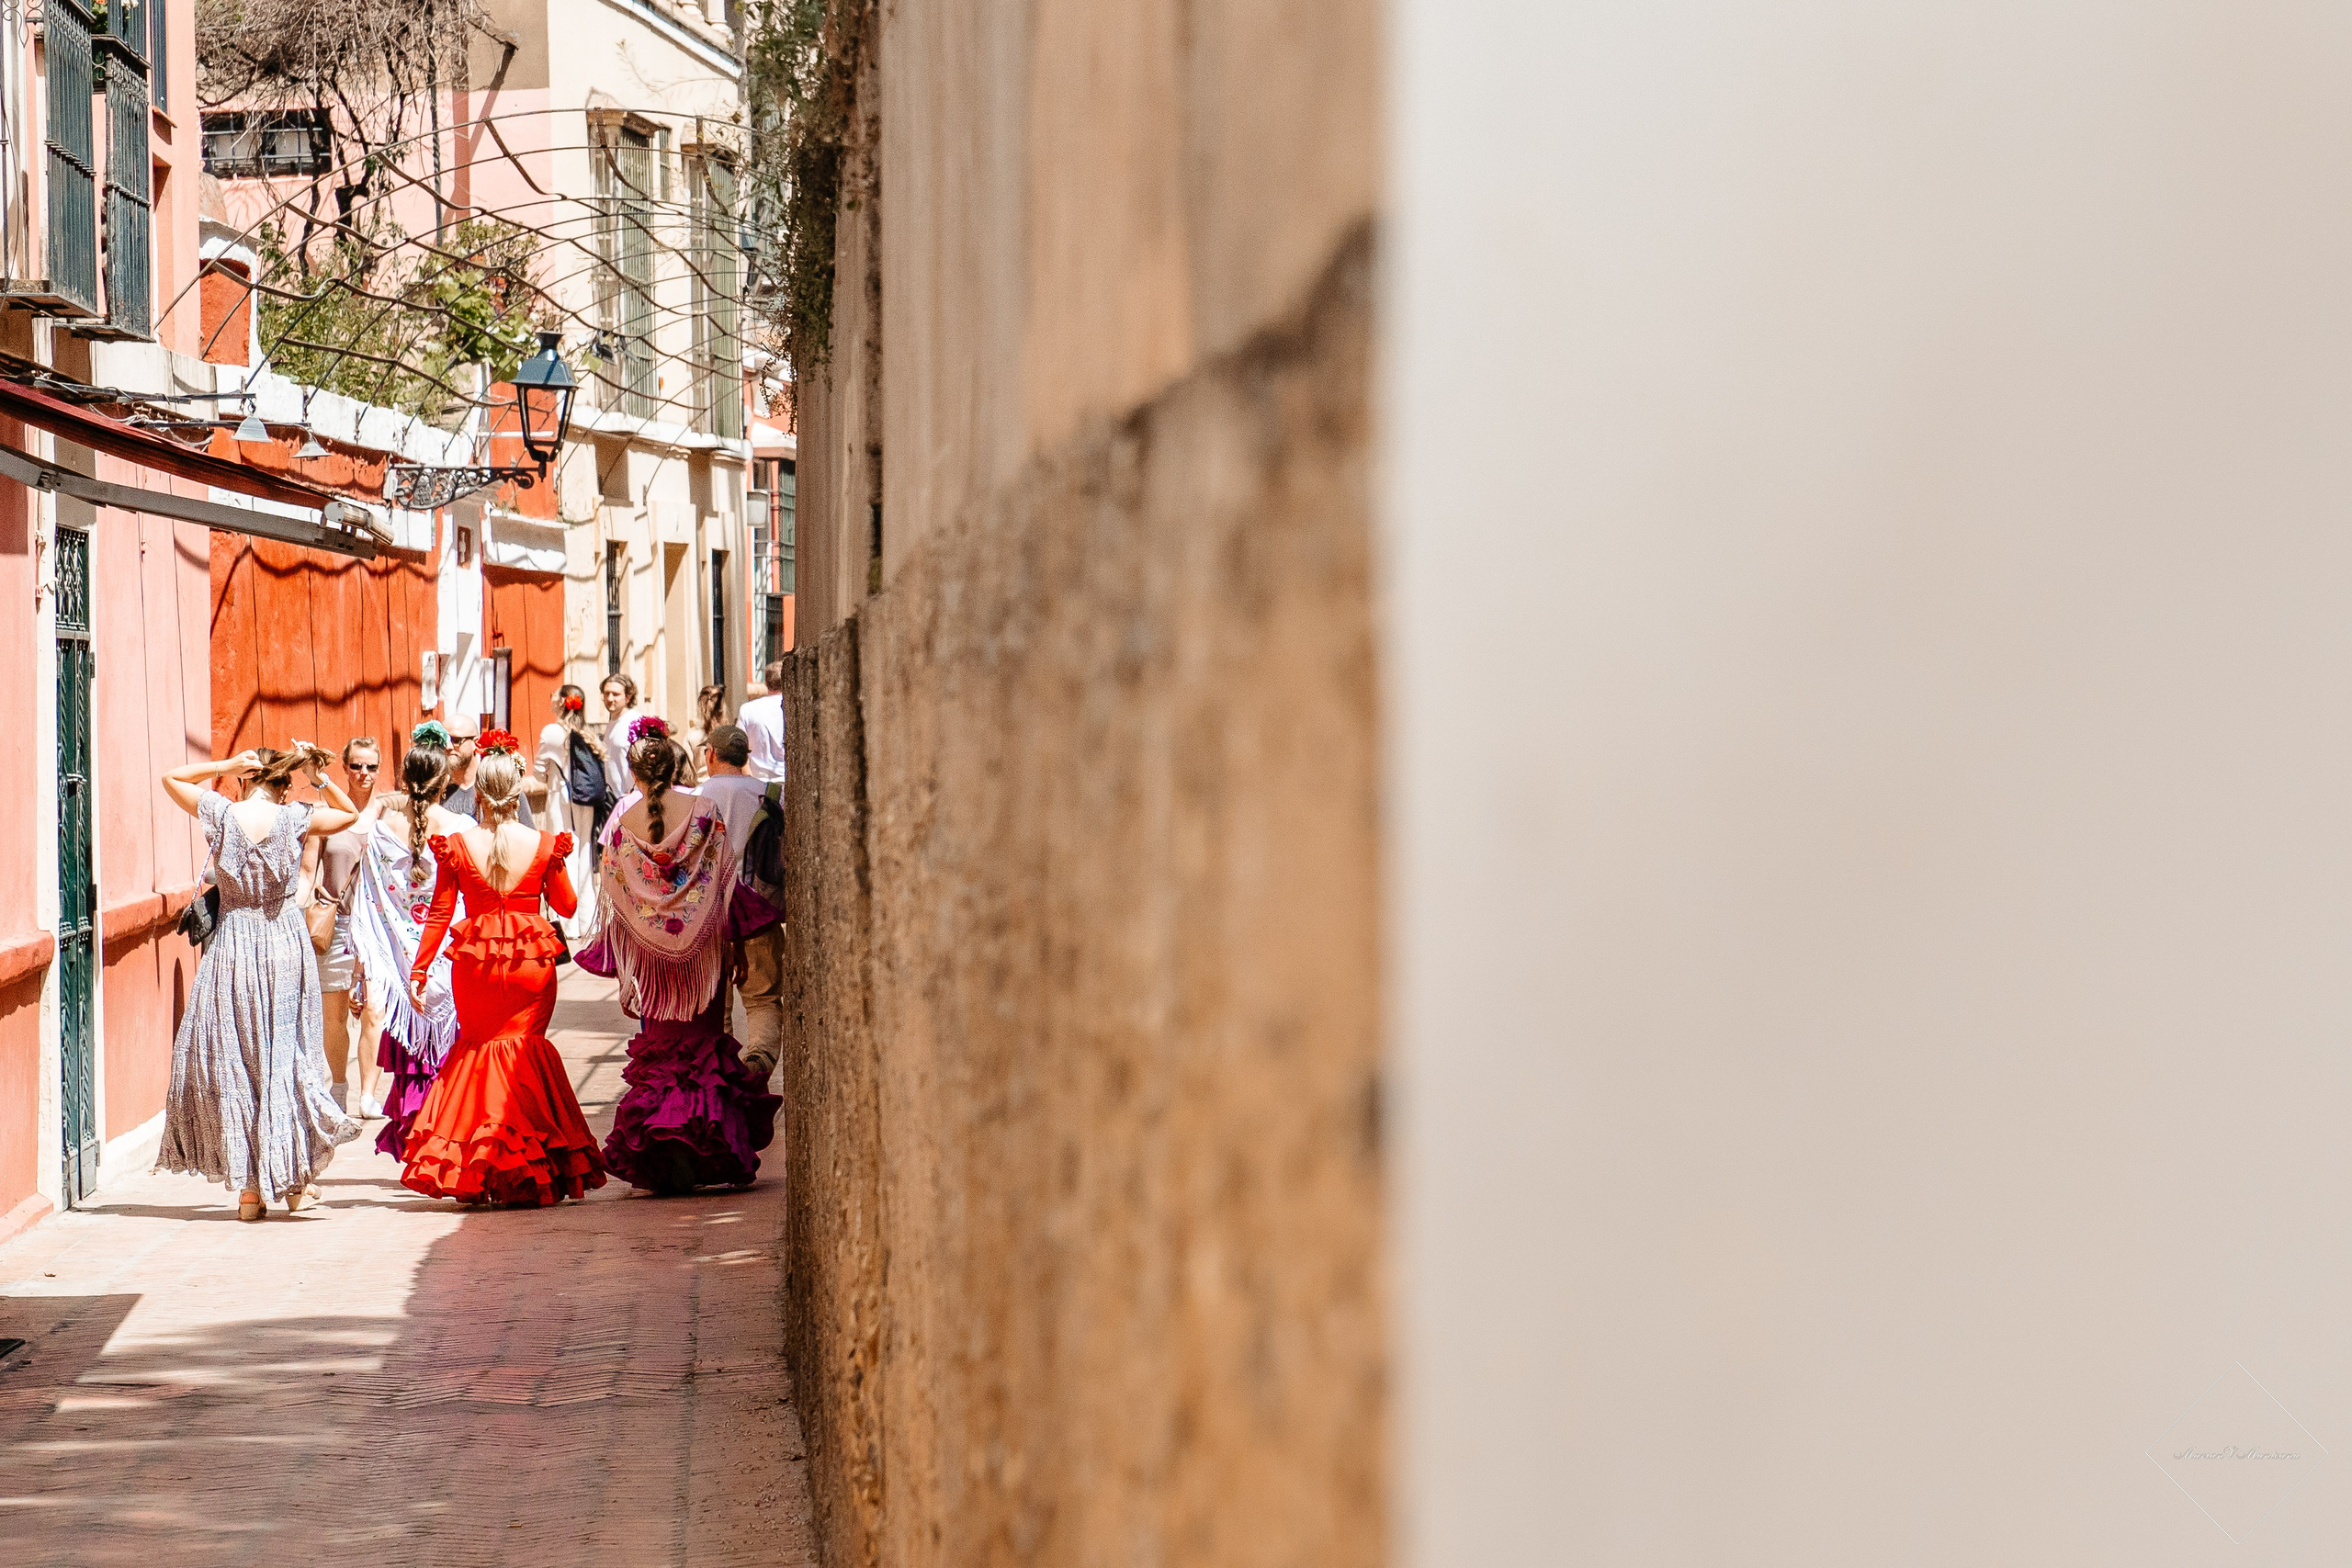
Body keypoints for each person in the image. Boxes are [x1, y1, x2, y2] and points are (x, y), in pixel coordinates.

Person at [155, 743, 363, 1220]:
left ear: (249, 778)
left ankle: (251, 1190)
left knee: (242, 1061)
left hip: (232, 946)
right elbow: (349, 815)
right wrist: (320, 776)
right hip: (284, 944)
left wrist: (223, 767)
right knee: (286, 1057)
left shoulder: (223, 813)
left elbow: (172, 778)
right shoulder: (295, 818)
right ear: (285, 784)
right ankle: (292, 1178)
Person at [402, 737, 607, 1206]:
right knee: (524, 1053)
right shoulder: (541, 844)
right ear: (517, 794)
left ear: (477, 793)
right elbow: (568, 904)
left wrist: (419, 971)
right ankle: (530, 1163)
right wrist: (551, 868)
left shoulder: (456, 845)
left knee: (479, 1053)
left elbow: (439, 913)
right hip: (530, 965)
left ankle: (482, 1164)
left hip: (474, 966)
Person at [582, 718, 780, 1193]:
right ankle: (707, 1147)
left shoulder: (622, 827)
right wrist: (729, 945)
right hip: (703, 956)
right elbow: (722, 882)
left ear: (633, 774)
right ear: (677, 768)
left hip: (653, 963)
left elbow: (616, 890)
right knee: (701, 1049)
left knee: (664, 1048)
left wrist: (637, 946)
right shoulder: (704, 810)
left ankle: (666, 1152)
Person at [346, 726, 474, 1160]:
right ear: (444, 784)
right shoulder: (461, 828)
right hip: (448, 960)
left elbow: (367, 899)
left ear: (403, 780)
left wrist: (367, 965)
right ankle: (448, 1134)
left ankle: (417, 1137)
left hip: (400, 966)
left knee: (411, 1052)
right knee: (451, 1050)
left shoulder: (379, 832)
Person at [696, 724, 784, 1079]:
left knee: (717, 1004)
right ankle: (758, 1063)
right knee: (763, 998)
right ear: (746, 757)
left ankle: (723, 1075)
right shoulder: (771, 794)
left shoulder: (695, 799)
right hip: (758, 911)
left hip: (707, 914)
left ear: (711, 755)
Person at [312, 737, 385, 1117]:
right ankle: (339, 1084)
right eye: (356, 766)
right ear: (344, 768)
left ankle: (368, 1094)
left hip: (376, 928)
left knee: (374, 1009)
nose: (363, 774)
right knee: (335, 1015)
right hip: (337, 924)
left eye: (371, 767)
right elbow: (308, 872)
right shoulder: (327, 817)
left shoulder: (387, 818)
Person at [536, 683, 606, 931]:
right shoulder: (588, 733)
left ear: (563, 701)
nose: (551, 698)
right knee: (585, 851)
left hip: (560, 797)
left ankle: (568, 922)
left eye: (554, 694)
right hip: (585, 799)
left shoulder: (551, 732)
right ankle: (588, 920)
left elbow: (538, 772)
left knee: (563, 855)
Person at [443, 715, 537, 828]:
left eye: (456, 740)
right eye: (443, 741)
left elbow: (528, 835)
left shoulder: (502, 787)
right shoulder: (436, 790)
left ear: (475, 743)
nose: (448, 746)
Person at [600, 673, 656, 796]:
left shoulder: (635, 722)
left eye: (615, 694)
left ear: (628, 697)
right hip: (613, 799)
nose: (610, 699)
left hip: (633, 798)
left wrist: (636, 792)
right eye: (606, 693)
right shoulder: (611, 724)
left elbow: (648, 761)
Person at [739, 660, 786, 784]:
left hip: (758, 781)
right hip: (788, 779)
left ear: (766, 682)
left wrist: (749, 781)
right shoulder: (795, 709)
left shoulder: (747, 710)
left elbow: (739, 749)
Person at [678, 683, 727, 786]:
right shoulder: (730, 735)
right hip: (726, 786)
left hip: (701, 788)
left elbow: (687, 769)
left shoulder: (691, 736)